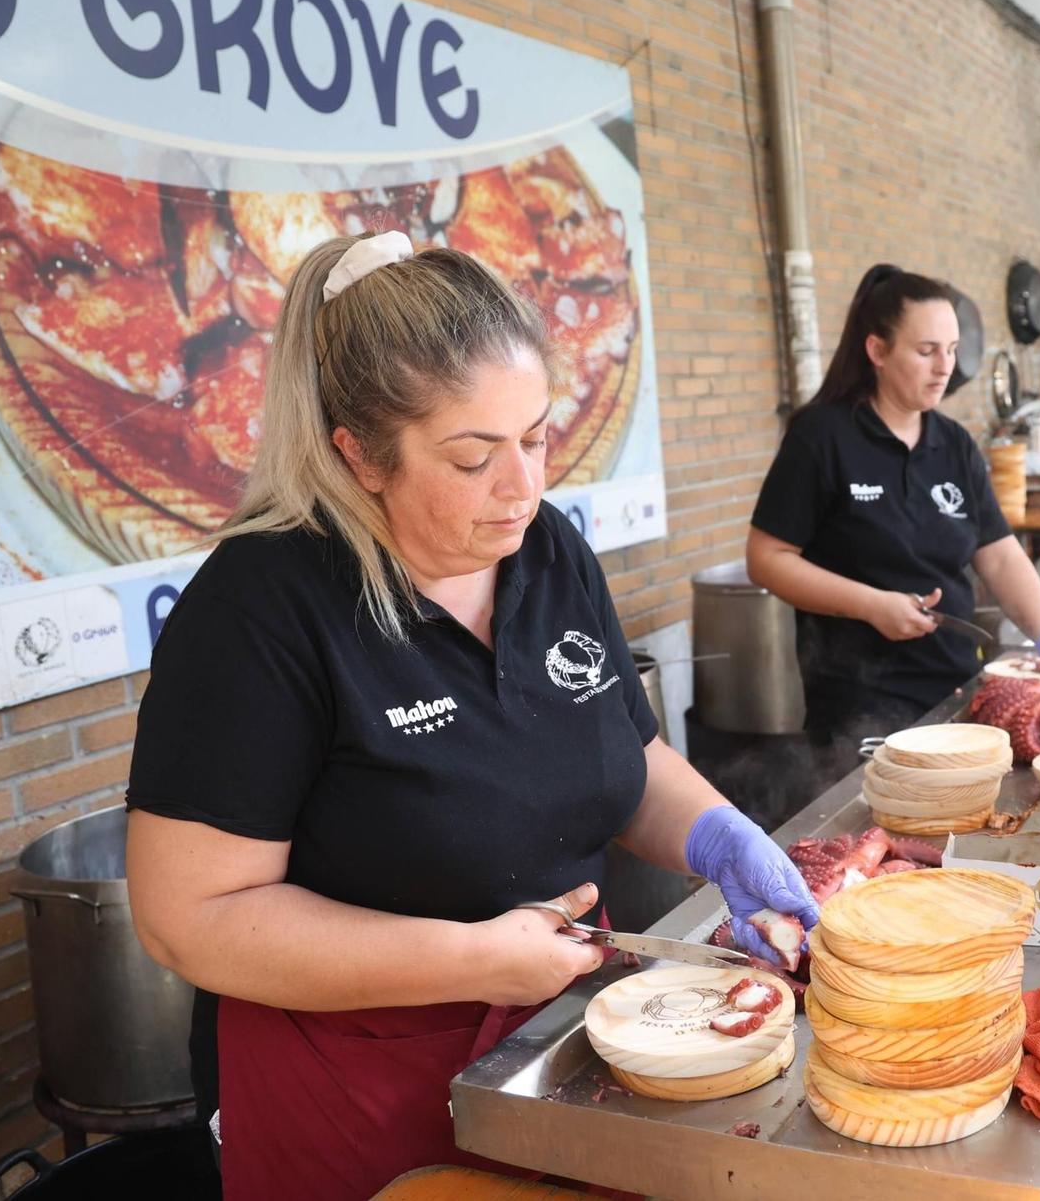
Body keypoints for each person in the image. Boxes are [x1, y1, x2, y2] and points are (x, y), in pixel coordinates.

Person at [123, 236, 818, 1199]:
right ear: (357, 454)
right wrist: (478, 958)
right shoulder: (260, 607)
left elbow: (623, 746)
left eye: (535, 437)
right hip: (356, 1093)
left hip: (564, 1040)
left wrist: (720, 835)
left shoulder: (547, 550)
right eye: (473, 456)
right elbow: (189, 919)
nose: (524, 486)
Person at [746, 264, 1040, 752]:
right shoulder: (822, 437)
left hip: (960, 689)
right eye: (926, 351)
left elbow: (997, 553)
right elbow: (767, 559)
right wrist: (872, 605)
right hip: (860, 704)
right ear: (877, 351)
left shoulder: (953, 443)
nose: (945, 367)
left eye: (952, 350)